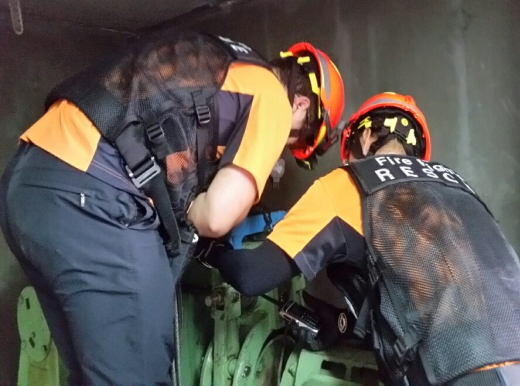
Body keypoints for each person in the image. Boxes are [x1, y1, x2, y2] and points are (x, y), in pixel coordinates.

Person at [0, 30, 344, 385]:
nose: (282, 146)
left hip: (29, 186)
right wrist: (199, 207)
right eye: (294, 138)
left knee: (96, 375)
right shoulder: (273, 96)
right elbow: (215, 217)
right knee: (141, 375)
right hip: (94, 196)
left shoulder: (221, 67)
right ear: (301, 106)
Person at [204, 92, 520, 386]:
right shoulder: (459, 189)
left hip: (460, 375)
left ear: (364, 137)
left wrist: (214, 249)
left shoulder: (351, 183)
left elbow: (252, 276)